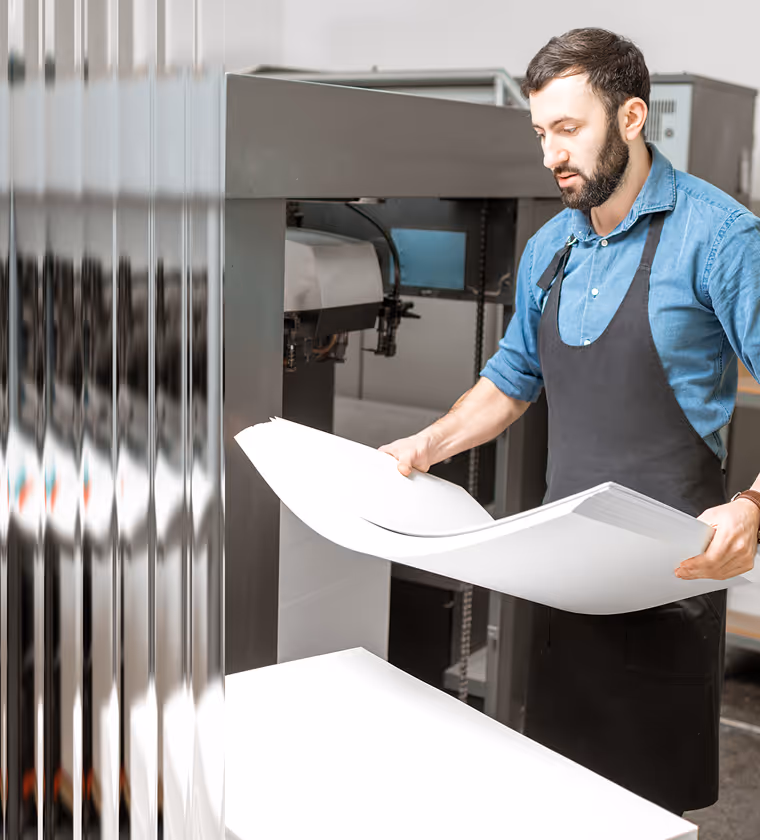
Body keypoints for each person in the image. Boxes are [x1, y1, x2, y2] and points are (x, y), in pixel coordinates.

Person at [380, 28, 760, 815]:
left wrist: (752, 507)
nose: (551, 153)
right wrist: (429, 443)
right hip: (563, 578)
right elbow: (512, 380)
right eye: (540, 133)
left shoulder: (719, 238)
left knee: (644, 811)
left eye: (568, 129)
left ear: (630, 118)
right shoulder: (553, 242)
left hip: (666, 586)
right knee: (564, 800)